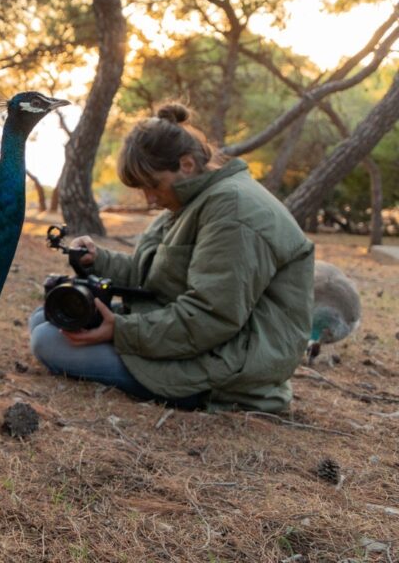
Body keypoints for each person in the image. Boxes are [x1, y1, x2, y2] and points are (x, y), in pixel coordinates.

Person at [30, 104, 314, 412]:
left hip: (229, 366)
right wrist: (98, 260)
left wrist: (122, 331)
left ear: (187, 165)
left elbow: (211, 317)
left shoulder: (232, 210)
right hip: (199, 341)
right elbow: (153, 274)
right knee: (46, 317)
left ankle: (213, 397)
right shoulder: (194, 199)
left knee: (49, 341)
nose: (150, 200)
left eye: (153, 186)